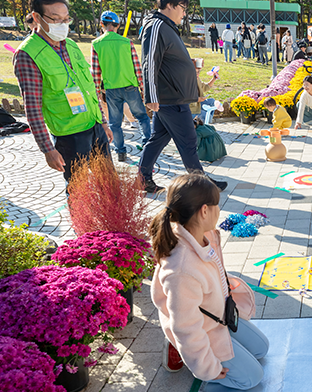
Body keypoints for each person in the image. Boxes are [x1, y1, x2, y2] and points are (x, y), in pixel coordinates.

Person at [150, 173, 268, 389]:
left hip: (217, 315)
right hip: (203, 327)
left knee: (261, 349)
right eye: (217, 205)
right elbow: (186, 327)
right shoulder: (181, 269)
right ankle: (185, 353)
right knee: (252, 378)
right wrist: (208, 368)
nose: (220, 211)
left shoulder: (204, 234)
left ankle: (200, 354)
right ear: (205, 210)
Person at [14, 0, 113, 184]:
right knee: (79, 191)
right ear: (37, 17)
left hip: (95, 125)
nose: (62, 25)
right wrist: (47, 149)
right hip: (70, 136)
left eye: (66, 19)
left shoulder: (71, 45)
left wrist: (104, 123)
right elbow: (33, 108)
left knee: (109, 185)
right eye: (55, 19)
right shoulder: (27, 54)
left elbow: (89, 87)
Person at [139, 0, 228, 193]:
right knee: (188, 141)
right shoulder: (156, 26)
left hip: (173, 97)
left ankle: (143, 178)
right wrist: (151, 94)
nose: (184, 13)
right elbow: (149, 62)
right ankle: (201, 184)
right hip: (169, 98)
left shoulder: (168, 27)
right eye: (183, 8)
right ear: (170, 5)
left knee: (157, 139)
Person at [92, 11, 152, 162]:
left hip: (111, 89)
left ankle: (121, 152)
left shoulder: (96, 44)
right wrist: (143, 89)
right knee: (142, 117)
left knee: (115, 123)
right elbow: (137, 67)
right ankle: (147, 146)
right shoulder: (127, 42)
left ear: (101, 24)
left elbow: (96, 71)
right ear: (118, 25)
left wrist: (98, 91)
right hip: (130, 86)